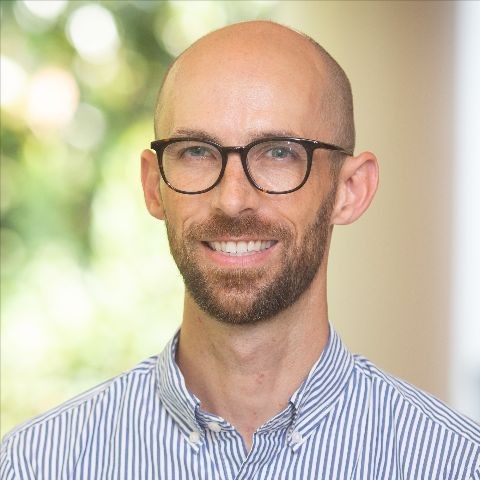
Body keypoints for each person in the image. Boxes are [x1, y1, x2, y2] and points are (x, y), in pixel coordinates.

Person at [1, 20, 479, 480]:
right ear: (152, 186)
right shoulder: (35, 466)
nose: (232, 199)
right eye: (195, 151)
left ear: (350, 190)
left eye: (277, 152)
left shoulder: (456, 465)